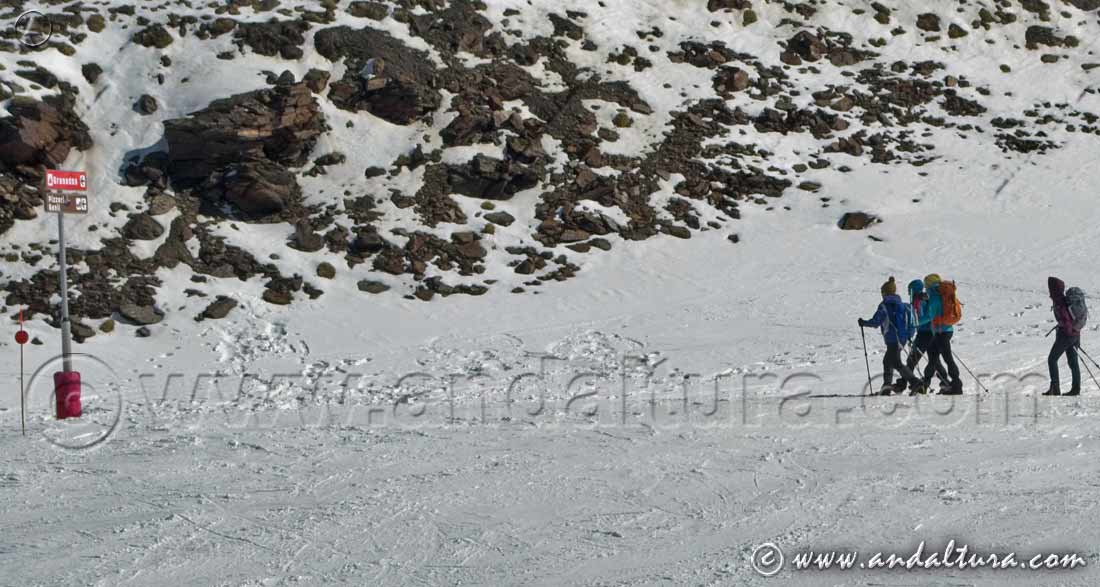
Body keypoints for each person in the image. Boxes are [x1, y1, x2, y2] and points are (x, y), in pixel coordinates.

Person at [859, 277, 926, 395]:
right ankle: (886, 387)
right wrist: (908, 336)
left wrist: (864, 323)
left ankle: (915, 382)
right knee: (887, 361)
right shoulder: (902, 305)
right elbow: (910, 323)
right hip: (902, 339)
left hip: (892, 340)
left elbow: (876, 322)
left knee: (896, 363)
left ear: (884, 293)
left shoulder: (884, 306)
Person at [895, 279, 949, 394]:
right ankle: (945, 382)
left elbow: (920, 318)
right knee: (934, 361)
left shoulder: (919, 301)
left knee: (912, 360)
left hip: (925, 334)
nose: (909, 293)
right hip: (931, 333)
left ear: (914, 289)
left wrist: (914, 326)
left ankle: (903, 384)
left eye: (910, 290)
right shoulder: (924, 298)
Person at [921, 274, 964, 395]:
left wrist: (915, 322)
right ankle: (925, 384)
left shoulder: (934, 298)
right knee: (933, 360)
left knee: (947, 358)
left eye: (926, 285)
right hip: (946, 330)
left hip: (941, 332)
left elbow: (930, 316)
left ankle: (956, 385)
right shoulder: (942, 294)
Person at [1044, 277, 1081, 396]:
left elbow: (1065, 320)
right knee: (1073, 361)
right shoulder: (1064, 300)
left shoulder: (1059, 301)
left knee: (1052, 359)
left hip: (1066, 335)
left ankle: (1055, 388)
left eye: (1051, 287)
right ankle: (1076, 389)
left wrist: (1064, 331)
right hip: (1075, 334)